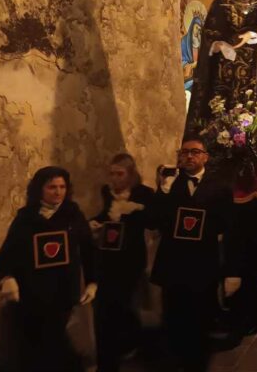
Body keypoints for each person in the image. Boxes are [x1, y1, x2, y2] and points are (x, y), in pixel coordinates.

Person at [0, 166, 97, 371]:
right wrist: (6, 278)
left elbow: (88, 250)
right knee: (34, 352)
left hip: (62, 295)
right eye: (52, 187)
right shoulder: (26, 218)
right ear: (39, 189)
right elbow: (5, 257)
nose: (58, 192)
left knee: (57, 347)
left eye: (62, 187)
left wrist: (93, 282)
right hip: (32, 296)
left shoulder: (73, 214)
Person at [149, 136, 233, 371]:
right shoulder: (170, 184)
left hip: (202, 266)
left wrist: (229, 270)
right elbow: (154, 220)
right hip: (173, 266)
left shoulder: (220, 187)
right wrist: (163, 191)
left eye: (195, 152)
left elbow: (228, 226)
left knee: (201, 322)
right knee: (173, 322)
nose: (189, 156)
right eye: (184, 152)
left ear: (205, 156)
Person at [91, 154, 154, 372]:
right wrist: (96, 222)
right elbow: (106, 216)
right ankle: (112, 353)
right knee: (107, 305)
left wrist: (134, 209)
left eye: (120, 174)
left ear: (130, 174)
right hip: (108, 256)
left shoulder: (144, 194)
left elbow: (151, 221)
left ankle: (129, 343)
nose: (115, 178)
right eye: (112, 173)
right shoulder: (107, 193)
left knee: (125, 302)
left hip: (130, 258)